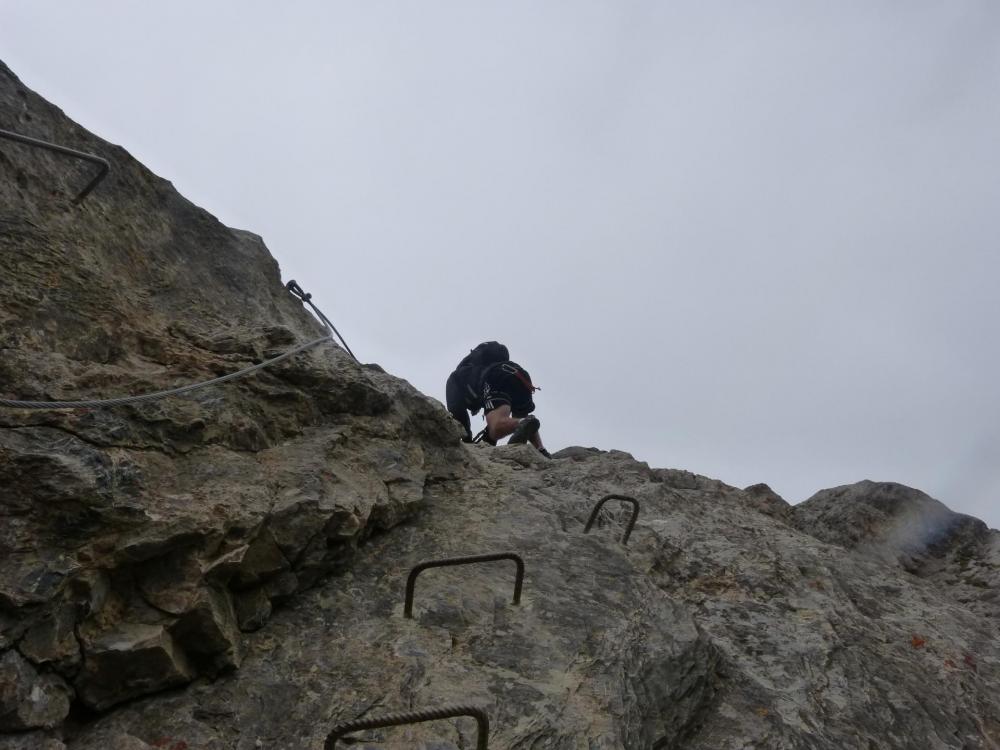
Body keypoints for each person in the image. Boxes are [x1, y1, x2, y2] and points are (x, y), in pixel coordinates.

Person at [445, 343, 550, 457]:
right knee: (522, 420)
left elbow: (458, 415)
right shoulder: (482, 369)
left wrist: (467, 443)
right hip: (520, 375)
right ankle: (540, 449)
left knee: (496, 428)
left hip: (496, 377)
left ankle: (521, 423)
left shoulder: (455, 379)